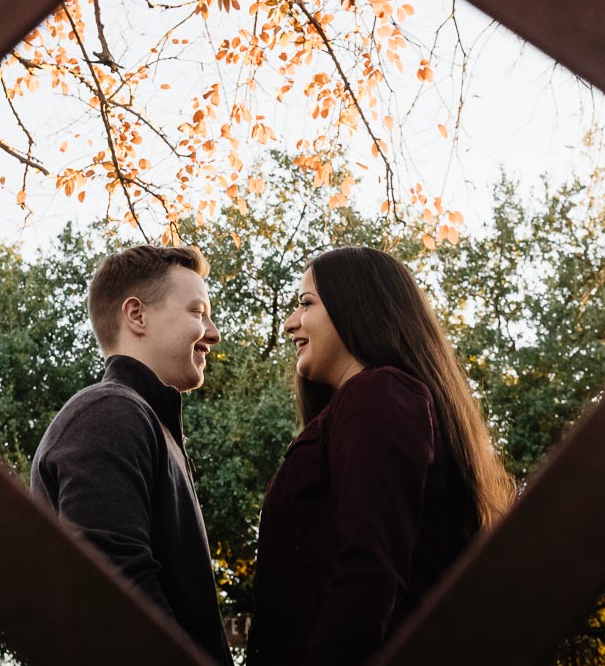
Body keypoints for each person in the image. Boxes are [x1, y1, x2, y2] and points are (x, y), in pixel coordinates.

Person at [246, 246, 517, 666]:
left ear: (356, 305)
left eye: (306, 304)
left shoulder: (379, 394)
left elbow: (368, 568)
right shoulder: (364, 405)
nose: (290, 324)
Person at [30, 244, 233, 665]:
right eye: (198, 312)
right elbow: (120, 597)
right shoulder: (109, 415)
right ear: (137, 315)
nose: (213, 333)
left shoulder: (144, 421)